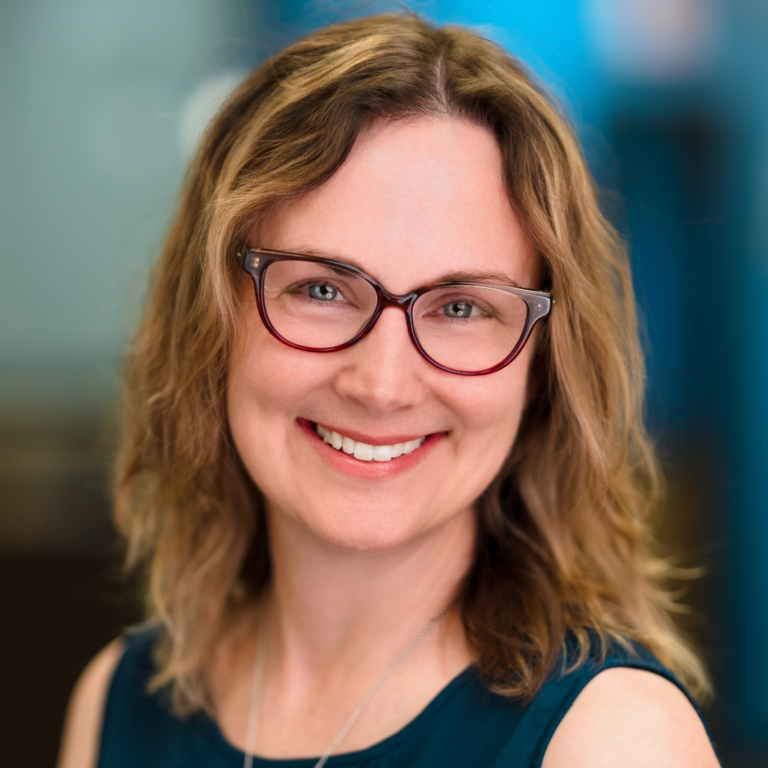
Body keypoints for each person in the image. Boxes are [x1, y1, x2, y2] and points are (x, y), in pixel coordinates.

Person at [57, 12, 720, 768]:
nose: (382, 383)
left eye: (462, 308)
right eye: (321, 289)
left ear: (544, 368)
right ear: (209, 319)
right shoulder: (117, 703)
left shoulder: (613, 741)